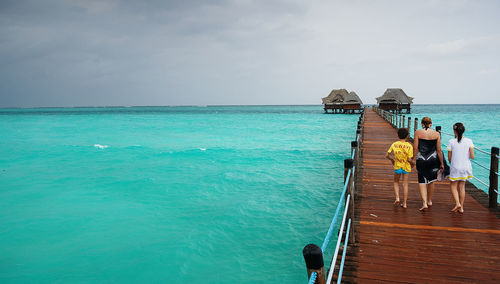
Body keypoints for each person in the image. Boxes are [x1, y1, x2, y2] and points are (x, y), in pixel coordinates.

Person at [414, 117, 444, 211]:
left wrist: (412, 159)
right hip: (433, 159)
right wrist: (442, 163)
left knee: (422, 181)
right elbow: (439, 150)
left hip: (421, 159)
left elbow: (415, 148)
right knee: (431, 181)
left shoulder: (418, 133)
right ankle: (429, 201)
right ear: (431, 124)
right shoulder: (437, 134)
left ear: (422, 124)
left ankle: (424, 203)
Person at [447, 123, 475, 213]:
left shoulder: (451, 141)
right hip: (466, 166)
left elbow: (449, 158)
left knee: (453, 185)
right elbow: (472, 156)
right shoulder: (469, 141)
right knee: (462, 187)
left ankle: (457, 203)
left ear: (454, 131)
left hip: (455, 166)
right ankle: (461, 208)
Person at [385, 128, 414, 208]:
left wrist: (392, 160)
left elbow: (387, 155)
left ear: (398, 135)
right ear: (407, 136)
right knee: (405, 184)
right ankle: (404, 203)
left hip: (397, 166)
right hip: (406, 167)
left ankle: (397, 198)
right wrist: (412, 163)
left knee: (396, 182)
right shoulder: (409, 146)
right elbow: (409, 158)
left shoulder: (394, 144)